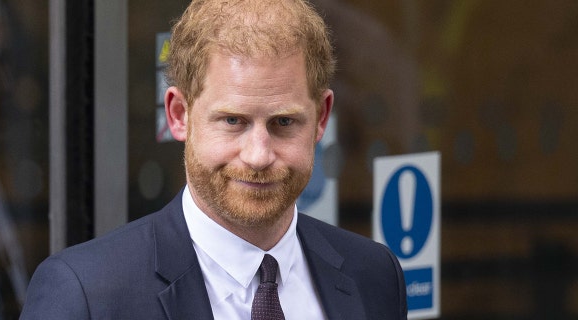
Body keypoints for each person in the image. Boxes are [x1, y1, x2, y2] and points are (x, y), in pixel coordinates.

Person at [20, 0, 408, 319]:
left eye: (284, 122)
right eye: (233, 121)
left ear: (321, 118)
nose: (258, 155)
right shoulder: (86, 295)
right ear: (178, 115)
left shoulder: (374, 276)